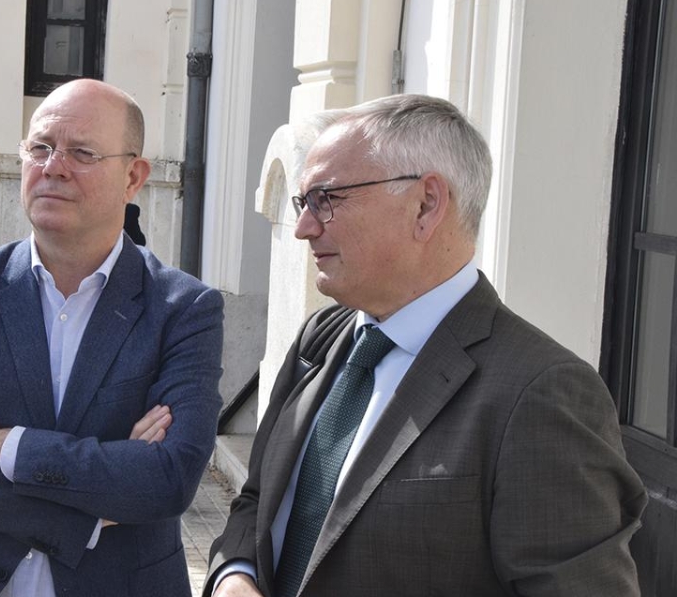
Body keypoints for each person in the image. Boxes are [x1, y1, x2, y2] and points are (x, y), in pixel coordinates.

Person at [206, 94, 647, 597]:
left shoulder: (541, 393)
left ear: (426, 204)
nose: (305, 227)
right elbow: (257, 499)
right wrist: (232, 576)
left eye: (326, 199)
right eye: (303, 203)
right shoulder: (321, 338)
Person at [0, 78, 225, 596]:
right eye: (41, 148)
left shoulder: (183, 308)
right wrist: (92, 510)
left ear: (133, 177)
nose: (53, 166)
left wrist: (12, 447)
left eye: (82, 152)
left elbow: (168, 480)